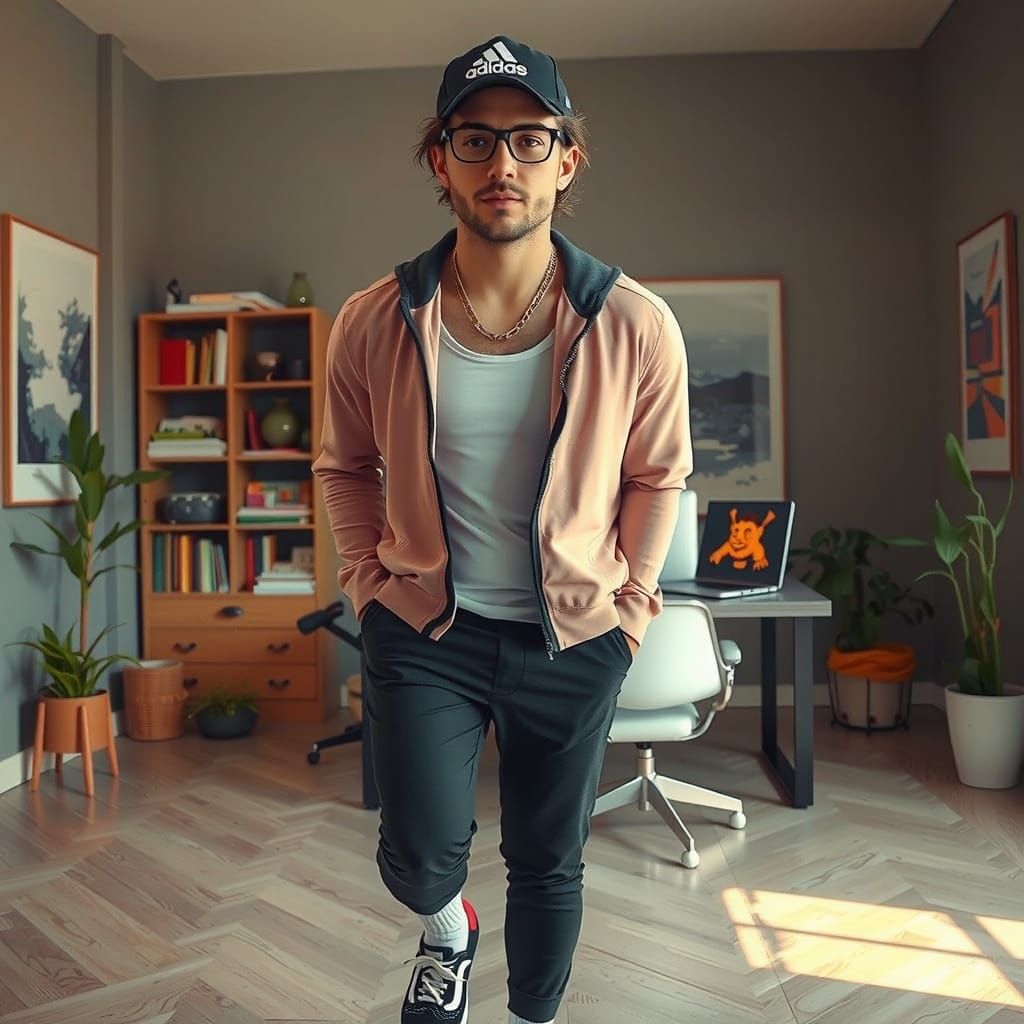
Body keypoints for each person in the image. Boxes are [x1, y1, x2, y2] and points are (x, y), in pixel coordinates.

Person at [312, 34, 692, 1024]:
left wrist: (633, 612)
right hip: (428, 630)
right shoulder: (374, 319)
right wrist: (369, 587)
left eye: (530, 140)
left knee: (546, 857)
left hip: (572, 634)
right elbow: (344, 467)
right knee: (417, 851)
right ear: (439, 161)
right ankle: (448, 934)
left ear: (567, 160)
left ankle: (531, 1013)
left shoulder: (633, 322)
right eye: (474, 141)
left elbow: (658, 476)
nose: (502, 165)